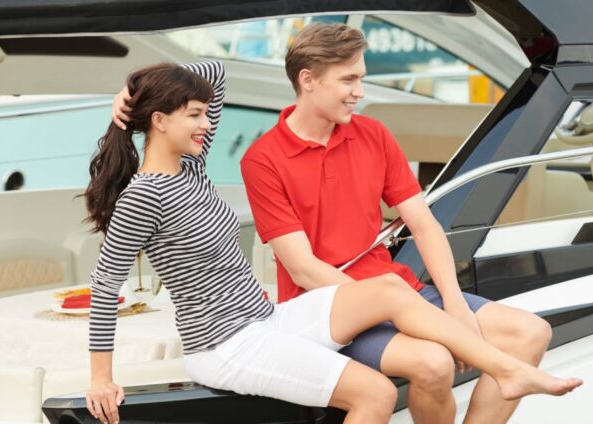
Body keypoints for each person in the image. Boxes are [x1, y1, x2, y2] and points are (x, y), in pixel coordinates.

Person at [83, 61, 581, 424]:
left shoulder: (191, 167)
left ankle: (506, 370)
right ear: (160, 122)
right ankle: (508, 369)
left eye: (203, 114)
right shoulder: (143, 197)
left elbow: (211, 74)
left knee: (387, 286)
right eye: (193, 116)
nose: (207, 123)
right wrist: (101, 378)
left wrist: (128, 94)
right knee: (376, 395)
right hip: (225, 344)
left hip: (266, 320)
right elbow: (105, 290)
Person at [241, 24, 574, 423]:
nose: (359, 91)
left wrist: (452, 304)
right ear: (307, 80)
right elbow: (304, 270)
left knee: (531, 333)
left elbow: (425, 225)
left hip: (402, 291)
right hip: (329, 309)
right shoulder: (263, 160)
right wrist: (414, 318)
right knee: (434, 362)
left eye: (361, 78)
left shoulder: (373, 135)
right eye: (348, 79)